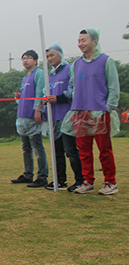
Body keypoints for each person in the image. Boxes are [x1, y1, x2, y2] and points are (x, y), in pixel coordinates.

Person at [61, 29, 119, 195]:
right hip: (80, 112)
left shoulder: (106, 61)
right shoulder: (76, 64)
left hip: (99, 112)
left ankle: (110, 182)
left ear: (94, 42)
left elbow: (113, 87)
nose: (80, 44)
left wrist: (108, 108)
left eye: (84, 40)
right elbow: (74, 87)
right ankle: (87, 181)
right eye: (79, 41)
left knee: (104, 149)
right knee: (84, 150)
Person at [44, 43, 83, 191]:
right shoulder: (50, 75)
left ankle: (80, 180)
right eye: (47, 56)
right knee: (57, 152)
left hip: (67, 117)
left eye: (52, 55)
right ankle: (60, 180)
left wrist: (58, 98)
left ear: (60, 54)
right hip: (54, 118)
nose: (49, 59)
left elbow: (74, 91)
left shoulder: (70, 69)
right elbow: (46, 92)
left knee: (71, 151)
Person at [11, 50, 49, 188]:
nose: (25, 60)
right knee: (25, 148)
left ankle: (42, 176)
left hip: (32, 116)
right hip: (23, 117)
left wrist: (38, 110)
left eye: (28, 58)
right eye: (23, 58)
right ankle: (28, 174)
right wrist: (18, 98)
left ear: (35, 60)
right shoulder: (25, 78)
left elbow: (39, 93)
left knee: (37, 148)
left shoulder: (39, 73)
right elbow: (25, 98)